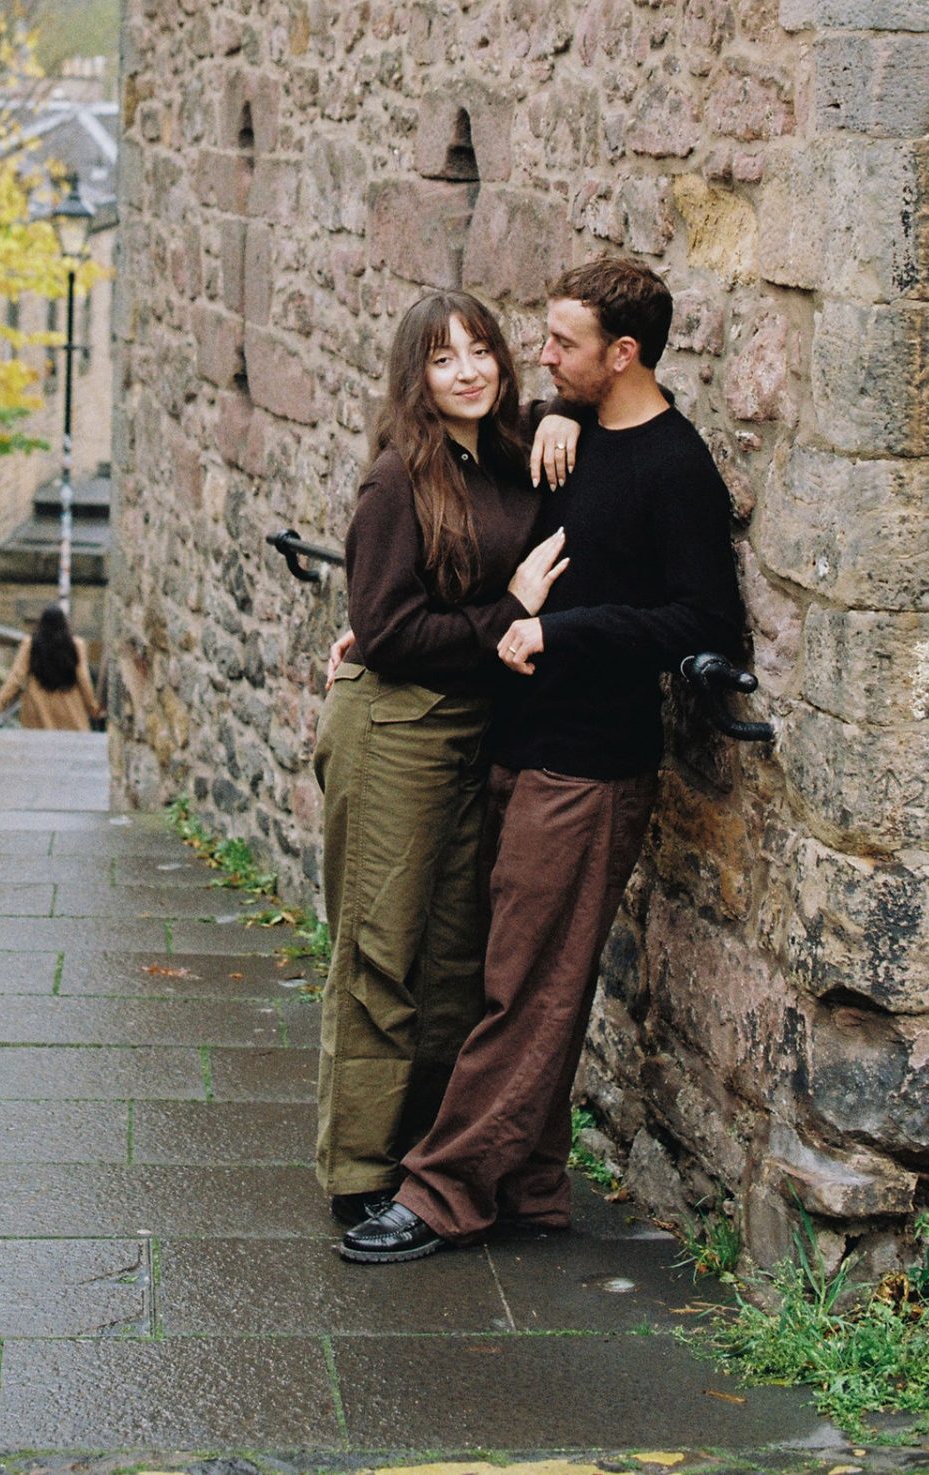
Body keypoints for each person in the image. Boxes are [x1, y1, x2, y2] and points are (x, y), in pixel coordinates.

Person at [340, 255, 745, 1264]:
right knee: (502, 970)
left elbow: (705, 620)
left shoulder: (676, 465)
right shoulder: (568, 436)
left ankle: (444, 1192)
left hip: (592, 763)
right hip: (518, 744)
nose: (539, 356)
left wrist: (565, 632)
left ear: (623, 353)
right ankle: (530, 1181)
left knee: (528, 985)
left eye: (563, 344)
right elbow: (478, 543)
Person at [314, 288, 581, 1228]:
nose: (468, 370)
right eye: (442, 357)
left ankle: (426, 1156)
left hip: (474, 730)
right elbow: (383, 629)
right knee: (380, 951)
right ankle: (358, 1170)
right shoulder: (400, 478)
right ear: (414, 377)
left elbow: (565, 414)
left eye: (481, 351)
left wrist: (567, 414)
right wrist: (508, 607)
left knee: (457, 958)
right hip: (394, 727)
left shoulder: (509, 456)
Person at [0, 604, 101, 731]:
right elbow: (83, 678)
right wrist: (92, 707)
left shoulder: (31, 643)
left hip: (37, 707)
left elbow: (16, 676)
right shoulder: (76, 644)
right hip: (70, 708)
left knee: (38, 747)